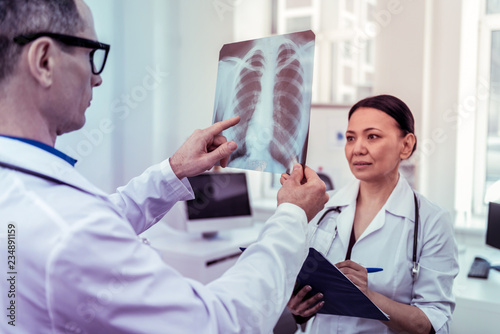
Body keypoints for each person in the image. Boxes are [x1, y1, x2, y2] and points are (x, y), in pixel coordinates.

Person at [0, 1, 329, 333]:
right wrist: (292, 216)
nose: (97, 78)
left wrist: (175, 169)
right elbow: (218, 325)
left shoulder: (25, 190)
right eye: (91, 55)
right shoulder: (70, 227)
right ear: (43, 61)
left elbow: (104, 216)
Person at [285, 95, 459, 334]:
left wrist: (369, 297)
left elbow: (432, 322)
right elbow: (301, 298)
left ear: (406, 145)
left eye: (373, 136)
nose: (357, 149)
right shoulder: (322, 205)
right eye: (350, 138)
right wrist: (297, 309)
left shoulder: (432, 221)